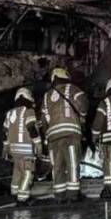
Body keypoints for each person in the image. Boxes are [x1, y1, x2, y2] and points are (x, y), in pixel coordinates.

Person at [40, 67, 88, 202]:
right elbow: (83, 106)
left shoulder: (46, 96)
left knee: (57, 167)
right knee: (72, 163)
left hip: (53, 136)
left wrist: (47, 135)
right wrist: (82, 117)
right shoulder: (73, 89)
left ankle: (59, 196)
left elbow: (43, 119)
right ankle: (73, 196)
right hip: (71, 133)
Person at [3, 87, 42, 205]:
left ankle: (15, 193)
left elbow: (5, 132)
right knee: (27, 173)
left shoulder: (9, 113)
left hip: (14, 150)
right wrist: (38, 144)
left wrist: (5, 148)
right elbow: (31, 128)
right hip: (26, 150)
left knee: (17, 172)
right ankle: (23, 198)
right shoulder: (28, 111)